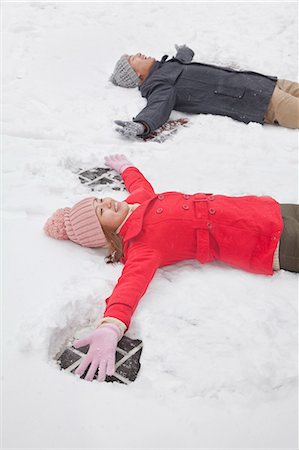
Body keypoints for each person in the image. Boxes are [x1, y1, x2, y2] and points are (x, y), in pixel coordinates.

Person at [44, 154, 299, 382]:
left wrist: (126, 168)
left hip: (266, 210)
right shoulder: (141, 244)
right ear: (106, 236)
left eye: (101, 199)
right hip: (272, 242)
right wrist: (110, 327)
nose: (108, 202)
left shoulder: (139, 202)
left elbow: (139, 185)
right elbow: (130, 285)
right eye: (102, 212)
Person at [110, 45, 299, 138]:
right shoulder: (158, 84)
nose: (140, 54)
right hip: (260, 101)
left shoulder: (165, 67)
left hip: (263, 83)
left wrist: (184, 51)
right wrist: (143, 125)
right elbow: (158, 106)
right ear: (136, 74)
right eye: (134, 58)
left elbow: (182, 60)